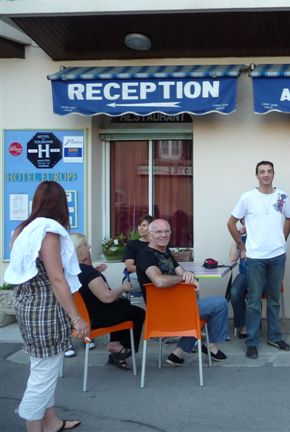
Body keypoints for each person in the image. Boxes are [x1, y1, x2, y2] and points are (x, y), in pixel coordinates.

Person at [5, 181, 86, 431]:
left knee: (43, 367)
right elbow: (57, 278)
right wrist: (76, 318)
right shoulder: (49, 232)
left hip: (26, 304)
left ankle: (51, 422)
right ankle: (34, 426)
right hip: (45, 308)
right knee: (43, 373)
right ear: (61, 204)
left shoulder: (22, 230)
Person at [136, 219, 229, 366]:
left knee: (201, 310)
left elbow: (182, 272)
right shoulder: (145, 255)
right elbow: (159, 281)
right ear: (150, 234)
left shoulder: (166, 253)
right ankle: (210, 345)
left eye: (166, 231)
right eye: (159, 232)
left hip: (178, 307)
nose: (163, 235)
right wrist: (183, 278)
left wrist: (190, 277)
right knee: (220, 304)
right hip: (163, 313)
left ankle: (177, 354)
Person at [228, 161, 290, 359]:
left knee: (274, 300)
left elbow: (289, 218)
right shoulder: (247, 197)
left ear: (274, 174)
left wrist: (282, 240)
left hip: (277, 257)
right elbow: (231, 222)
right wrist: (242, 247)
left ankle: (274, 337)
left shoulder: (282, 196)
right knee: (254, 301)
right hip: (255, 258)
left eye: (269, 171)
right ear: (257, 175)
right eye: (262, 172)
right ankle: (252, 342)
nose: (266, 175)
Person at [70, 233, 146, 370]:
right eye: (85, 245)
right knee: (138, 313)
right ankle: (122, 349)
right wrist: (123, 287)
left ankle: (115, 346)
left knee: (123, 305)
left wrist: (95, 271)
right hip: (98, 318)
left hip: (81, 318)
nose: (89, 247)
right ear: (77, 249)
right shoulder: (88, 272)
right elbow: (107, 297)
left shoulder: (69, 271)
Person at [228, 220, 249, 339]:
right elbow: (232, 258)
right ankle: (242, 323)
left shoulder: (261, 237)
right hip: (245, 273)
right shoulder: (242, 238)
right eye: (243, 222)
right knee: (234, 292)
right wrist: (236, 238)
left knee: (253, 294)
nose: (245, 224)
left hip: (261, 273)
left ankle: (250, 326)